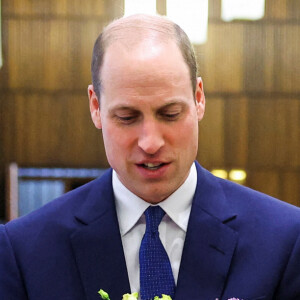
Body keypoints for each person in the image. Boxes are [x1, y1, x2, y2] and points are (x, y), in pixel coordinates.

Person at [0, 14, 300, 300]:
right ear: (95, 106)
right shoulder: (25, 251)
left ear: (199, 98)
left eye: (170, 114)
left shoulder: (284, 240)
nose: (151, 142)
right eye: (127, 117)